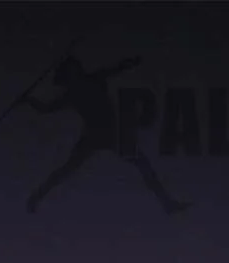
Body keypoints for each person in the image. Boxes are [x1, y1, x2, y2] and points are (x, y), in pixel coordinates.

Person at [25, 55, 190, 215]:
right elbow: (46, 108)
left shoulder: (87, 83)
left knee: (142, 164)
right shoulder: (76, 90)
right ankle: (35, 198)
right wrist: (29, 100)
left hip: (110, 133)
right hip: (97, 135)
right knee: (68, 169)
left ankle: (167, 204)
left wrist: (130, 63)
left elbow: (116, 68)